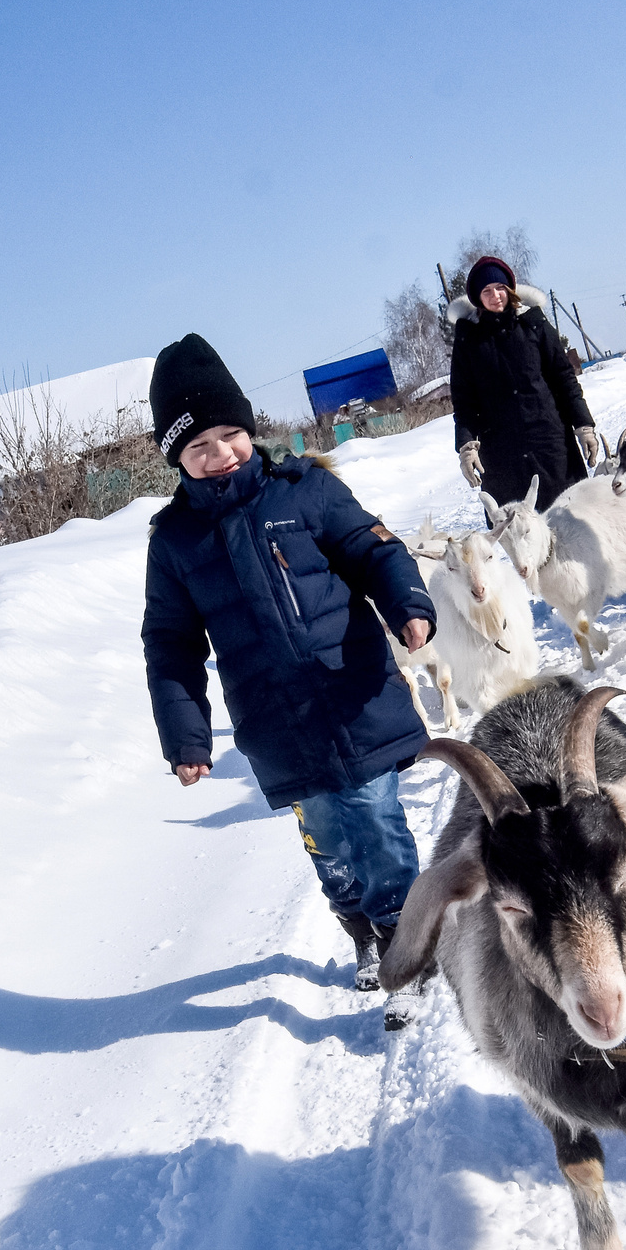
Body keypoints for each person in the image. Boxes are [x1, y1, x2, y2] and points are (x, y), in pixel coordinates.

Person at [140, 334, 439, 1003]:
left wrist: (407, 605)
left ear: (248, 428)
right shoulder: (175, 543)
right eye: (199, 447)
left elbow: (375, 549)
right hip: (279, 726)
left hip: (354, 696)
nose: (220, 455)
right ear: (177, 460)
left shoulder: (306, 492)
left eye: (229, 435)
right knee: (328, 840)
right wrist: (187, 737)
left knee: (377, 820)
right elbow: (170, 643)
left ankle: (404, 941)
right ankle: (358, 925)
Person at [449, 256, 599, 506]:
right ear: (477, 297)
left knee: (569, 521)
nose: (495, 295)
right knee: (519, 535)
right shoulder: (468, 341)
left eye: (500, 288)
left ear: (510, 289)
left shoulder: (534, 324)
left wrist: (584, 426)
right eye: (486, 290)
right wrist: (466, 447)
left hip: (550, 445)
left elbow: (565, 380)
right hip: (502, 458)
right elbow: (464, 403)